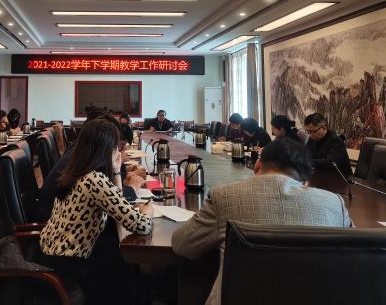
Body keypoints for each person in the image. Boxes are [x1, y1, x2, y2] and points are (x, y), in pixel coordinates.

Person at [172, 138, 352, 305]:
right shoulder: (334, 204)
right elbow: (355, 257)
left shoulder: (224, 196)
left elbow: (182, 245)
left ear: (258, 164)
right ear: (305, 181)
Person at [40, 118, 152, 305]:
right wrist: (148, 210)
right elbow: (141, 225)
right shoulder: (94, 180)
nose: (119, 152)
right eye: (117, 147)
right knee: (125, 264)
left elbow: (118, 204)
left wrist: (116, 171)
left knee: (119, 254)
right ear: (107, 149)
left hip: (55, 256)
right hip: (71, 266)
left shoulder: (76, 171)